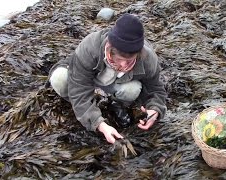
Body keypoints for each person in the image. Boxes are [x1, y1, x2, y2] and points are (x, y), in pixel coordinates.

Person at [48, 13, 167, 144]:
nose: (123, 65)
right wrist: (99, 124)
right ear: (110, 48)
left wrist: (155, 108)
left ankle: (115, 103)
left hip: (117, 83)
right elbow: (79, 90)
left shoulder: (148, 59)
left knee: (132, 90)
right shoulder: (90, 47)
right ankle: (85, 110)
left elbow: (156, 88)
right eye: (120, 59)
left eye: (129, 61)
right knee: (59, 79)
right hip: (84, 77)